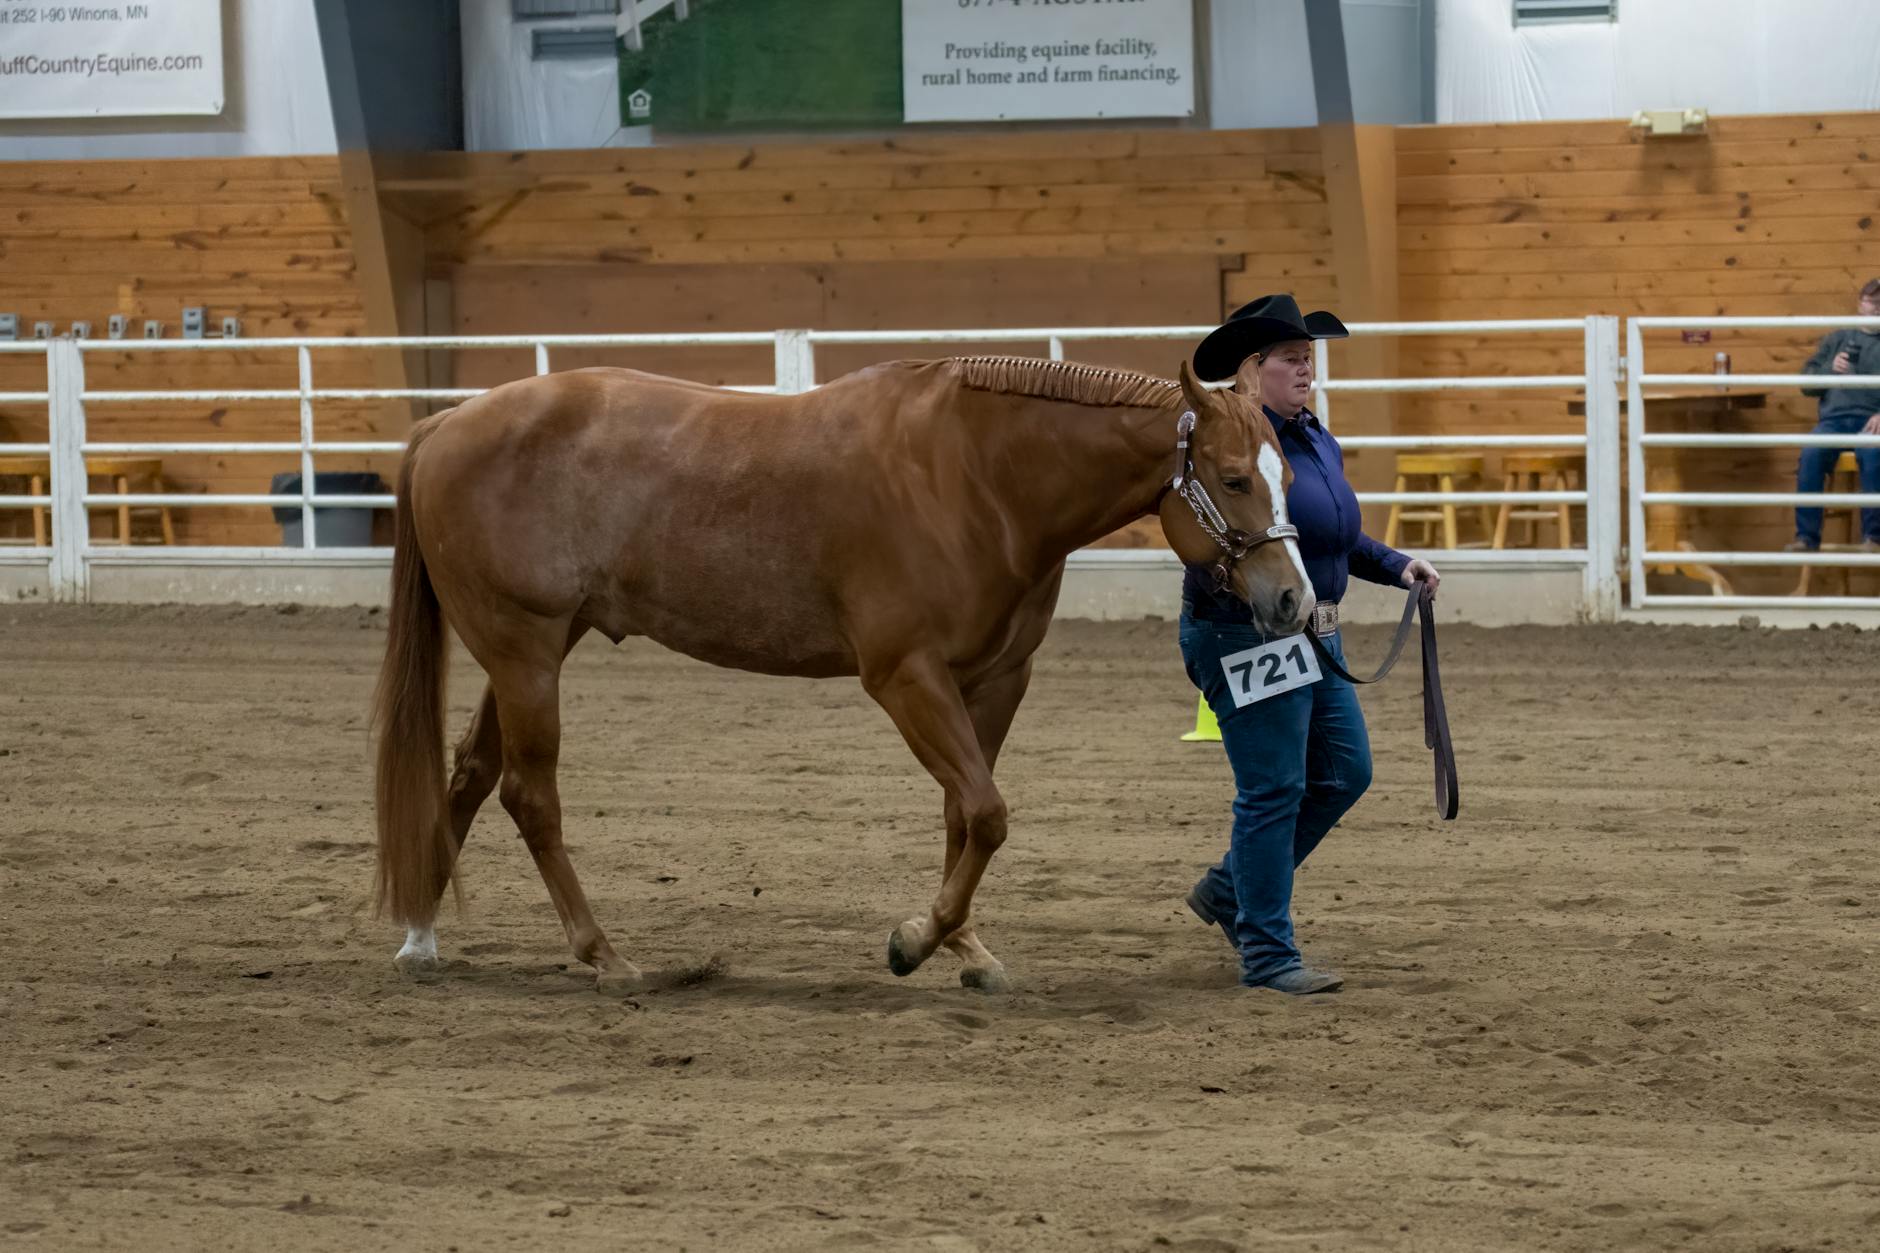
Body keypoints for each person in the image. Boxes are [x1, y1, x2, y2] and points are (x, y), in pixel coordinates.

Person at [1178, 294, 1439, 995]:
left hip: (1312, 630)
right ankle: (1266, 952)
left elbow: (1335, 535)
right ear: (1248, 369)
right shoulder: (1233, 443)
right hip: (1248, 630)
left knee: (1345, 772)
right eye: (1291, 358)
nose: (1306, 370)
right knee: (1275, 787)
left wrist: (1395, 566)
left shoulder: (1315, 437)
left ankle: (1232, 888)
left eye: (1309, 358)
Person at [1788, 277, 1880, 553]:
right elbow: (1807, 385)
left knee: (1875, 455)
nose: (1875, 309)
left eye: (1879, 304)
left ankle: (1874, 539)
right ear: (1859, 305)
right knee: (1811, 453)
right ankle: (1806, 538)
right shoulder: (1836, 339)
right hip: (1834, 421)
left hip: (1872, 422)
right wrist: (1831, 368)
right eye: (1870, 302)